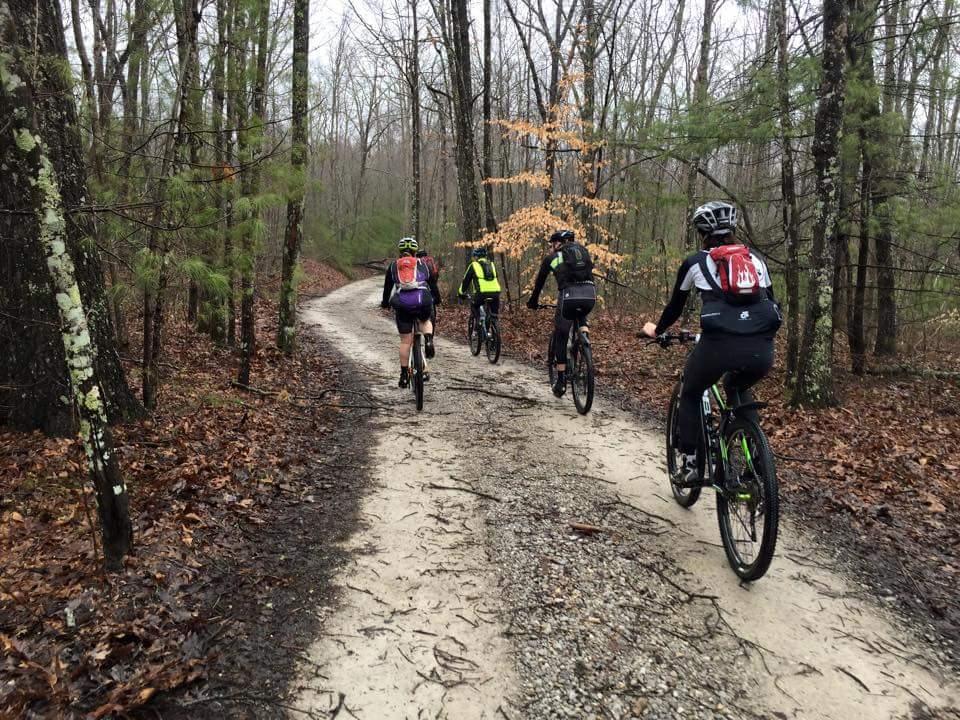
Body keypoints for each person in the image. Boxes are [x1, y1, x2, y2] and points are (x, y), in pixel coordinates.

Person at [641, 201, 781, 482]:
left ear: (701, 232)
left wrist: (658, 329)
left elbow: (675, 307)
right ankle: (754, 461)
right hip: (761, 348)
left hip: (718, 344)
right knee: (736, 385)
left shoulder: (694, 262)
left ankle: (691, 466)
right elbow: (773, 302)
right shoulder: (755, 259)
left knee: (692, 390)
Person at [526, 229, 596, 397]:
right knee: (581, 314)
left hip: (568, 297)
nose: (551, 247)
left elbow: (539, 284)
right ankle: (584, 337)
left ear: (557, 243)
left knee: (561, 334)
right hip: (590, 296)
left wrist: (533, 302)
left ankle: (561, 380)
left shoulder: (553, 258)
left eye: (552, 244)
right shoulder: (583, 253)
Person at [381, 237, 439, 388]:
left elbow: (388, 287)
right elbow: (432, 282)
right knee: (425, 321)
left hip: (403, 303)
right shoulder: (423, 264)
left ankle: (404, 375)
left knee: (406, 341)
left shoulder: (394, 265)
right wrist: (437, 299)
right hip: (422, 300)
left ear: (400, 252)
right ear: (415, 252)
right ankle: (428, 339)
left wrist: (385, 303)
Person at [457, 247, 502, 322]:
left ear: (476, 257)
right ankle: (494, 326)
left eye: (474, 256)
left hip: (481, 294)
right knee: (494, 314)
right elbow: (496, 279)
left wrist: (461, 293)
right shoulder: (492, 265)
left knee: (475, 307)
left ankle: (478, 326)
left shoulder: (473, 265)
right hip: (496, 294)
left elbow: (466, 281)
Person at [416, 248, 442, 328]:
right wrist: (437, 298)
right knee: (433, 303)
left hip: (418, 287)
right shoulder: (430, 261)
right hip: (431, 286)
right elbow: (436, 274)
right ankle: (431, 329)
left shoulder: (417, 262)